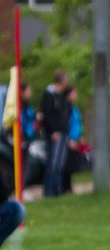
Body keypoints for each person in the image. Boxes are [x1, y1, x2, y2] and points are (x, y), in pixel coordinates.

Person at [39, 69, 70, 198]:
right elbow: (47, 115)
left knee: (59, 163)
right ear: (61, 80)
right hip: (54, 133)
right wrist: (52, 131)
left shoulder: (61, 96)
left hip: (63, 132)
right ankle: (49, 191)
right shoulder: (49, 95)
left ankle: (57, 190)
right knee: (52, 163)